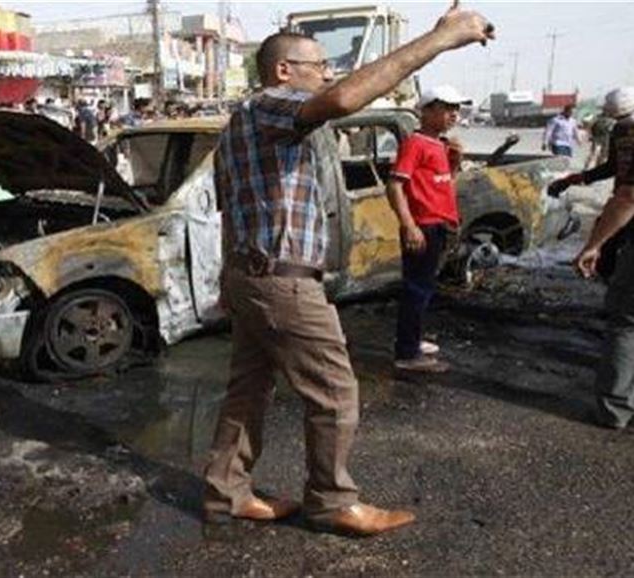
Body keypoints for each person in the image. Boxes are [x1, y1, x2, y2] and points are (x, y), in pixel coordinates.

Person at [202, 2, 493, 536]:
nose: (328, 76)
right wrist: (441, 38)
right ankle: (332, 501)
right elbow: (343, 98)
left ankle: (228, 493)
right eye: (318, 66)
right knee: (335, 391)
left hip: (253, 275)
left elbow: (232, 209)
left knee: (249, 389)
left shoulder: (240, 123)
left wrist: (230, 281)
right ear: (284, 71)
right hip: (281, 281)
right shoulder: (273, 104)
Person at [386, 85, 469, 373]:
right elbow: (395, 185)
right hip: (424, 225)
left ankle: (413, 340)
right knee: (416, 289)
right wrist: (409, 225)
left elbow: (442, 184)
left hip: (439, 224)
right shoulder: (416, 143)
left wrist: (455, 164)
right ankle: (407, 352)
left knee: (424, 287)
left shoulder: (439, 144)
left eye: (456, 109)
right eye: (448, 108)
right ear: (428, 110)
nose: (453, 115)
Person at [566, 87, 634, 429]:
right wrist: (579, 177)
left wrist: (594, 244)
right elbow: (613, 170)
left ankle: (615, 410)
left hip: (626, 216)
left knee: (625, 322)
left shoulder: (629, 131)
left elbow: (628, 195)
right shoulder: (624, 130)